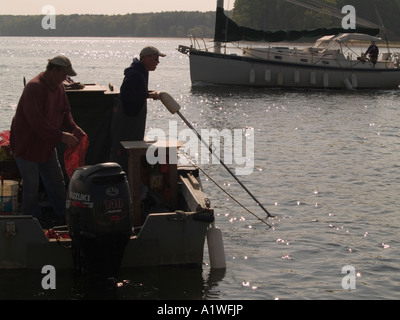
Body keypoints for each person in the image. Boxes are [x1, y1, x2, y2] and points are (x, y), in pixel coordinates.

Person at [10, 55, 86, 226]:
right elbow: (37, 122)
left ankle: (64, 218)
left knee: (57, 183)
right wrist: (61, 136)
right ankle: (30, 224)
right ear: (54, 70)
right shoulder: (34, 87)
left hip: (46, 145)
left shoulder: (59, 87)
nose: (66, 78)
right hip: (26, 145)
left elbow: (65, 112)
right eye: (64, 74)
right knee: (31, 188)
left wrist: (74, 128)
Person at [110, 46, 166, 173]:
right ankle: (124, 177)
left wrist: (148, 93)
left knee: (132, 150)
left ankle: (130, 176)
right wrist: (147, 95)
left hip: (133, 120)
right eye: (156, 59)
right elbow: (126, 95)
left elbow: (135, 92)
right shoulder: (135, 73)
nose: (158, 62)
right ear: (146, 58)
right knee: (124, 152)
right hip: (127, 120)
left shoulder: (141, 71)